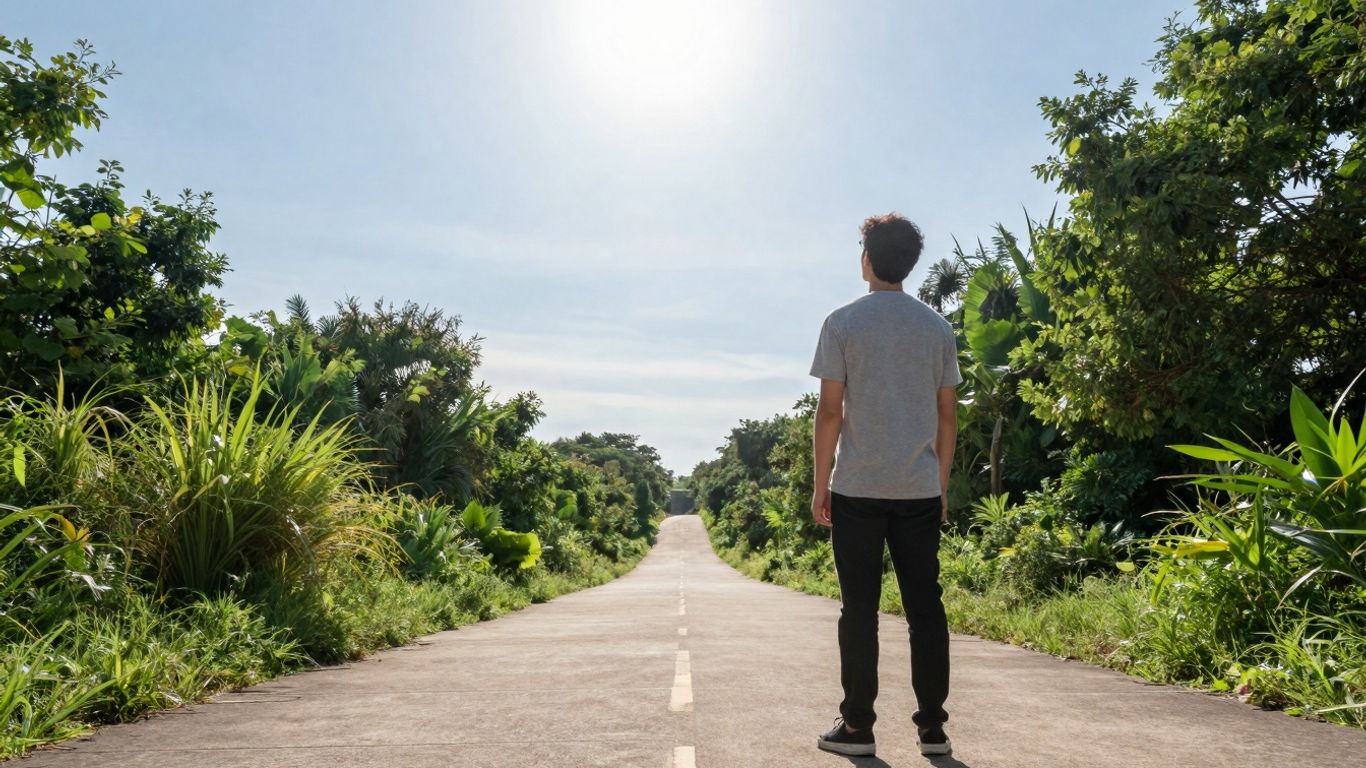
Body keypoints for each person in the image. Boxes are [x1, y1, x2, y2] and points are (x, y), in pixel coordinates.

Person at [809, 213, 960, 758]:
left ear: (866, 259)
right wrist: (939, 484)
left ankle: (857, 728)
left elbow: (830, 413)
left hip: (857, 489)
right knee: (926, 609)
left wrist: (820, 483)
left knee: (859, 610)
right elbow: (947, 418)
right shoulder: (938, 328)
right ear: (911, 264)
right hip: (918, 490)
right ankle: (934, 730)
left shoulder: (843, 323)